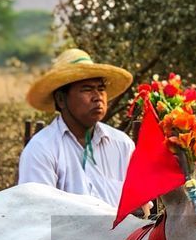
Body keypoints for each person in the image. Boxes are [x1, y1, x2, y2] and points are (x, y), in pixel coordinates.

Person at [18, 48, 135, 207]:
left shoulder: (122, 145)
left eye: (101, 89)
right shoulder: (42, 149)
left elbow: (140, 209)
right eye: (86, 89)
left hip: (122, 232)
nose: (97, 97)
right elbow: (38, 215)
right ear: (61, 99)